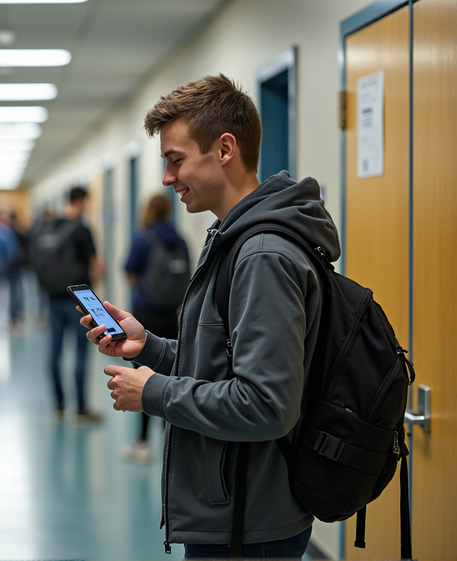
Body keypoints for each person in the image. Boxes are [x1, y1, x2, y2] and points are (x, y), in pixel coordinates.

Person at [83, 74, 333, 558]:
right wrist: (150, 347)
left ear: (224, 149)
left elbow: (266, 404)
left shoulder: (261, 254)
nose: (165, 178)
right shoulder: (232, 238)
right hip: (235, 511)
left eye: (176, 160)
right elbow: (228, 359)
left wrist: (153, 391)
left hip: (249, 524)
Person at [119, 193, 190, 463]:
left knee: (143, 378)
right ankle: (168, 441)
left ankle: (142, 442)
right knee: (172, 375)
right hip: (173, 315)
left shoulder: (143, 237)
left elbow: (130, 272)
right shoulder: (180, 239)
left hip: (146, 315)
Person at [42, 187, 104, 424]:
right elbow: (96, 264)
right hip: (79, 302)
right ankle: (80, 409)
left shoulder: (51, 225)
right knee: (80, 352)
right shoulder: (82, 229)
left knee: (54, 352)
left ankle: (58, 405)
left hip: (53, 297)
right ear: (80, 201)